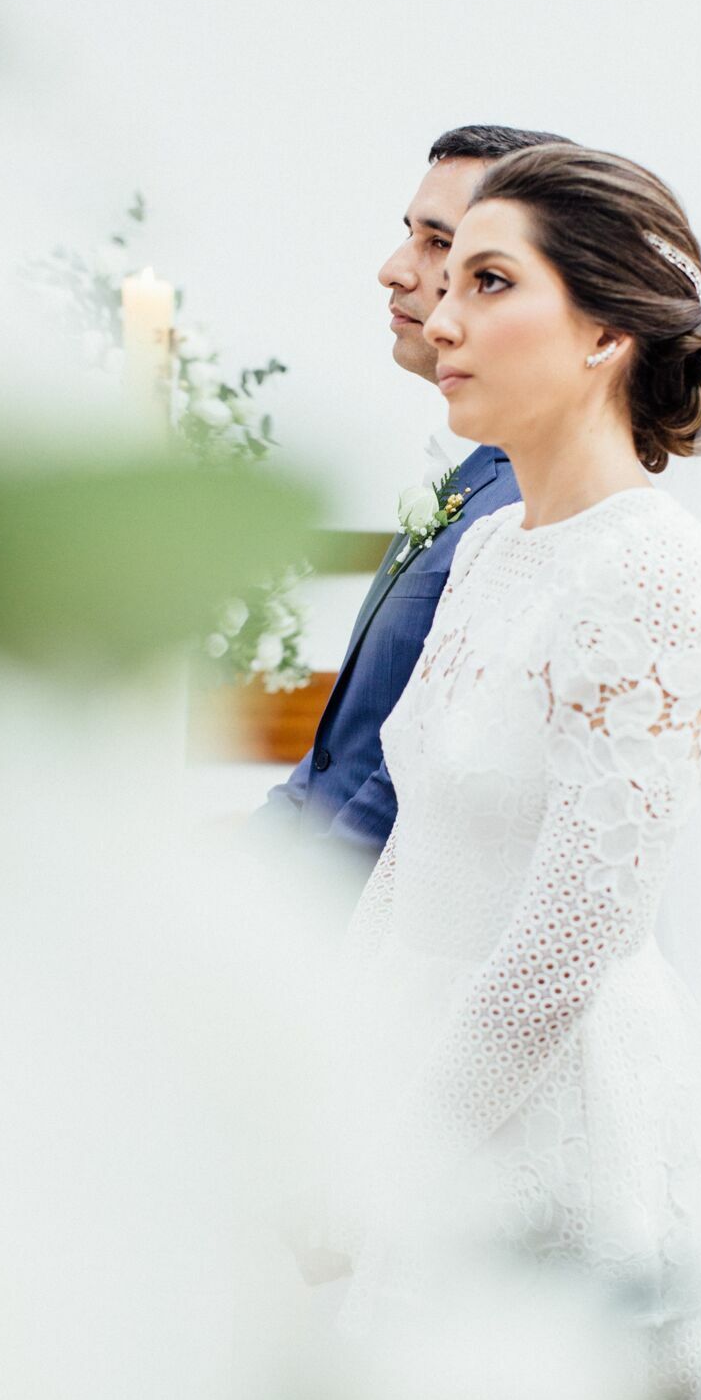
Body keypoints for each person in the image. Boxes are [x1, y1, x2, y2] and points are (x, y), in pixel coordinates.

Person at [333, 143, 701, 1400]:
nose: (439, 315)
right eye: (443, 276)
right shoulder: (486, 547)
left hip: (547, 1114)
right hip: (418, 1061)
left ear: (599, 331)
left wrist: (394, 1159)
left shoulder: (659, 577)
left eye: (486, 279)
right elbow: (412, 847)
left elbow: (560, 951)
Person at [252, 125, 570, 885]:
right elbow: (339, 755)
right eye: (411, 236)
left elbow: (419, 789)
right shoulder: (475, 476)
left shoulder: (534, 505)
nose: (393, 271)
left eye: (440, 244)